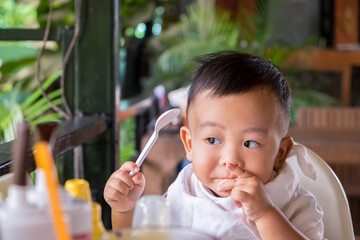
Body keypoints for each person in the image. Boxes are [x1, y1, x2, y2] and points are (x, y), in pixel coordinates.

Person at [104, 51, 324, 240]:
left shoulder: (295, 206)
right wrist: (124, 209)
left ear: (280, 153)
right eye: (213, 140)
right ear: (189, 144)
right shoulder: (184, 192)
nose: (230, 159)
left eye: (250, 143)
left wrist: (265, 214)